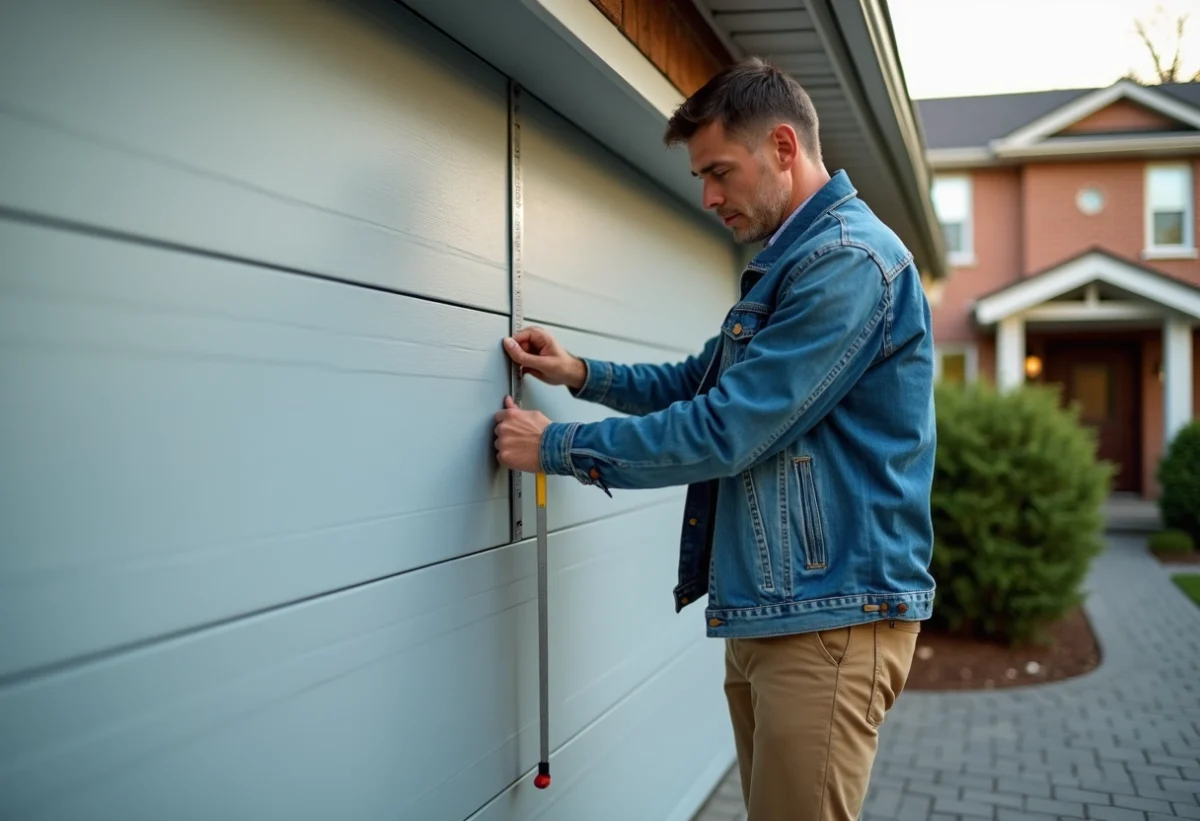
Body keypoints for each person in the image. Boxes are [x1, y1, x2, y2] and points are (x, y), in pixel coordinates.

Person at [492, 57, 936, 821]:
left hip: (829, 620)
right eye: (702, 176)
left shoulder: (847, 264)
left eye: (721, 172)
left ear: (785, 147)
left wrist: (558, 448)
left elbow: (728, 429)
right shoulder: (796, 263)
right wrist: (580, 371)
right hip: (784, 609)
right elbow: (705, 382)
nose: (708, 197)